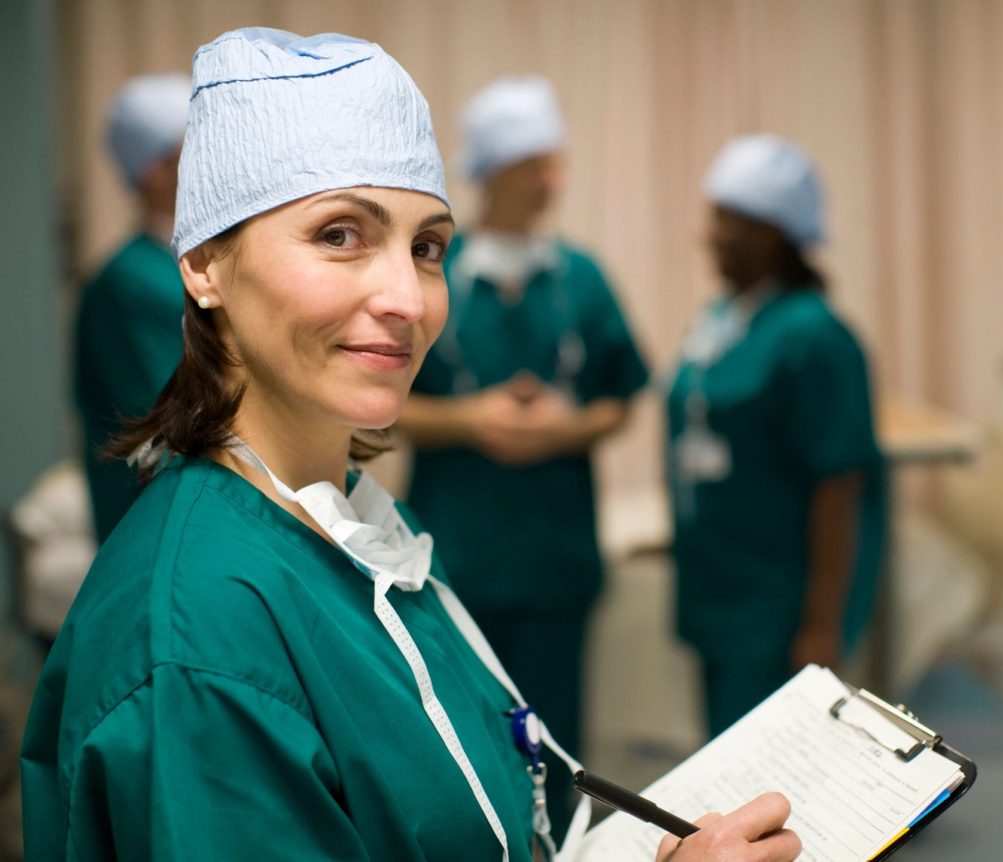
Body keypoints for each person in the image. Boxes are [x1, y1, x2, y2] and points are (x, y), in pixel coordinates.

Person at [20, 29, 800, 862]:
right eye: (339, 235)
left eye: (426, 247)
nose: (409, 298)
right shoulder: (199, 648)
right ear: (206, 263)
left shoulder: (358, 539)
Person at [400, 76, 649, 837]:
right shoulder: (431, 272)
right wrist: (471, 420)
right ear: (490, 172)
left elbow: (620, 393)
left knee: (555, 737)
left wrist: (563, 431)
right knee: (461, 735)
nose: (550, 181)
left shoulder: (582, 277)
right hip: (458, 546)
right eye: (531, 165)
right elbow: (384, 400)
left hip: (553, 554)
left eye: (554, 163)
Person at [666, 134, 887, 739]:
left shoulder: (815, 338)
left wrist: (822, 622)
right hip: (720, 592)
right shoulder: (723, 321)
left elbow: (839, 484)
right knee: (724, 756)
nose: (709, 235)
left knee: (774, 773)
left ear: (771, 232)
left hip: (776, 606)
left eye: (725, 220)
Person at [74, 73, 192, 543]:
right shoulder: (129, 282)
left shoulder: (185, 263)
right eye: (197, 146)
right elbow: (171, 421)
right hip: (159, 523)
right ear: (155, 170)